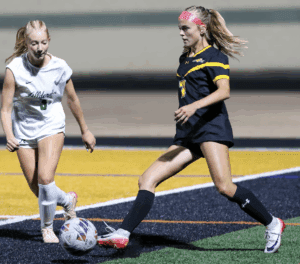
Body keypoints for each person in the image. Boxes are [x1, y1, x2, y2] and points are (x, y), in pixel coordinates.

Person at [97, 6, 285, 253]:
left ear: (201, 28)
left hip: (211, 128)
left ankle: (273, 223)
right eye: (180, 29)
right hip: (188, 134)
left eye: (186, 28)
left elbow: (223, 91)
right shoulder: (184, 58)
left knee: (224, 186)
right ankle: (123, 233)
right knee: (147, 178)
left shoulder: (215, 57)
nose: (181, 33)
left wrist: (193, 107)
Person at [1, 20, 96, 243]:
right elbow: (5, 109)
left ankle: (47, 228)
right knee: (38, 187)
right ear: (26, 42)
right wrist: (10, 135)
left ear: (49, 41)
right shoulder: (14, 69)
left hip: (51, 126)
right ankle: (68, 200)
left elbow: (72, 99)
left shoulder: (60, 67)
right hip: (24, 130)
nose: (39, 47)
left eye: (43, 42)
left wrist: (85, 130)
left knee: (45, 178)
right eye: (34, 43)